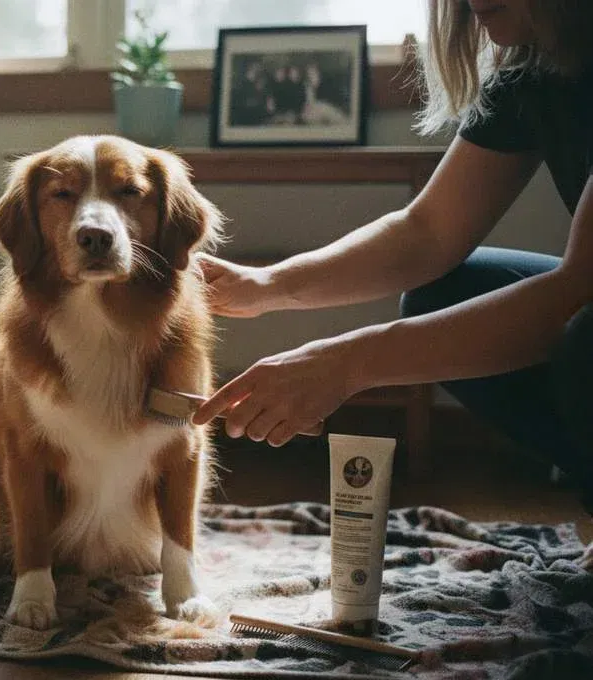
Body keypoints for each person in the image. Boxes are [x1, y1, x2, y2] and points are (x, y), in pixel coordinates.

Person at [192, 0, 593, 560]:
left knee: (585, 337)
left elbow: (575, 293)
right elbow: (427, 233)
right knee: (438, 295)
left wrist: (343, 365)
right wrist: (265, 286)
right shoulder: (532, 64)